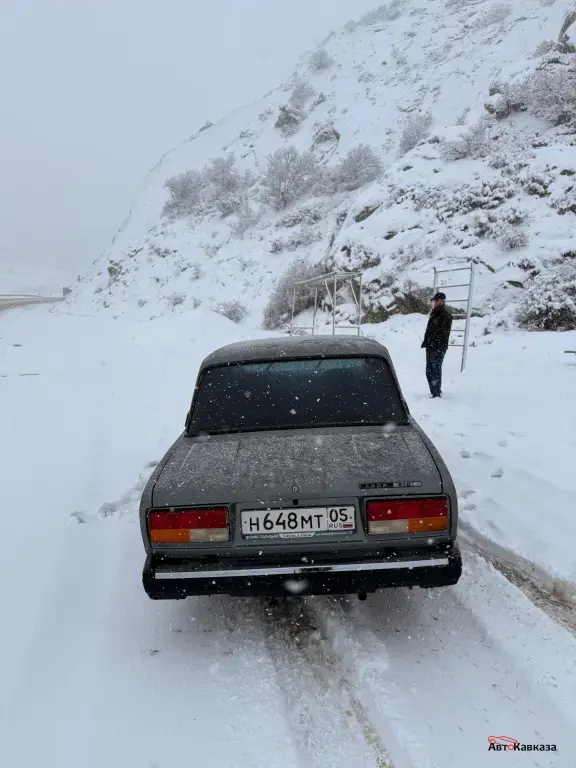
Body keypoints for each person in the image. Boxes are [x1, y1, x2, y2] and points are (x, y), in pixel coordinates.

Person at [421, 292, 452, 398]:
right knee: (430, 370)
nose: (434, 302)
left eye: (437, 300)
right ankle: (435, 391)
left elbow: (443, 333)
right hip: (431, 346)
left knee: (434, 370)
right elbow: (430, 330)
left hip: (438, 347)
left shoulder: (445, 315)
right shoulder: (435, 313)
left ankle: (436, 394)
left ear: (443, 301)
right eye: (434, 300)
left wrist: (434, 345)